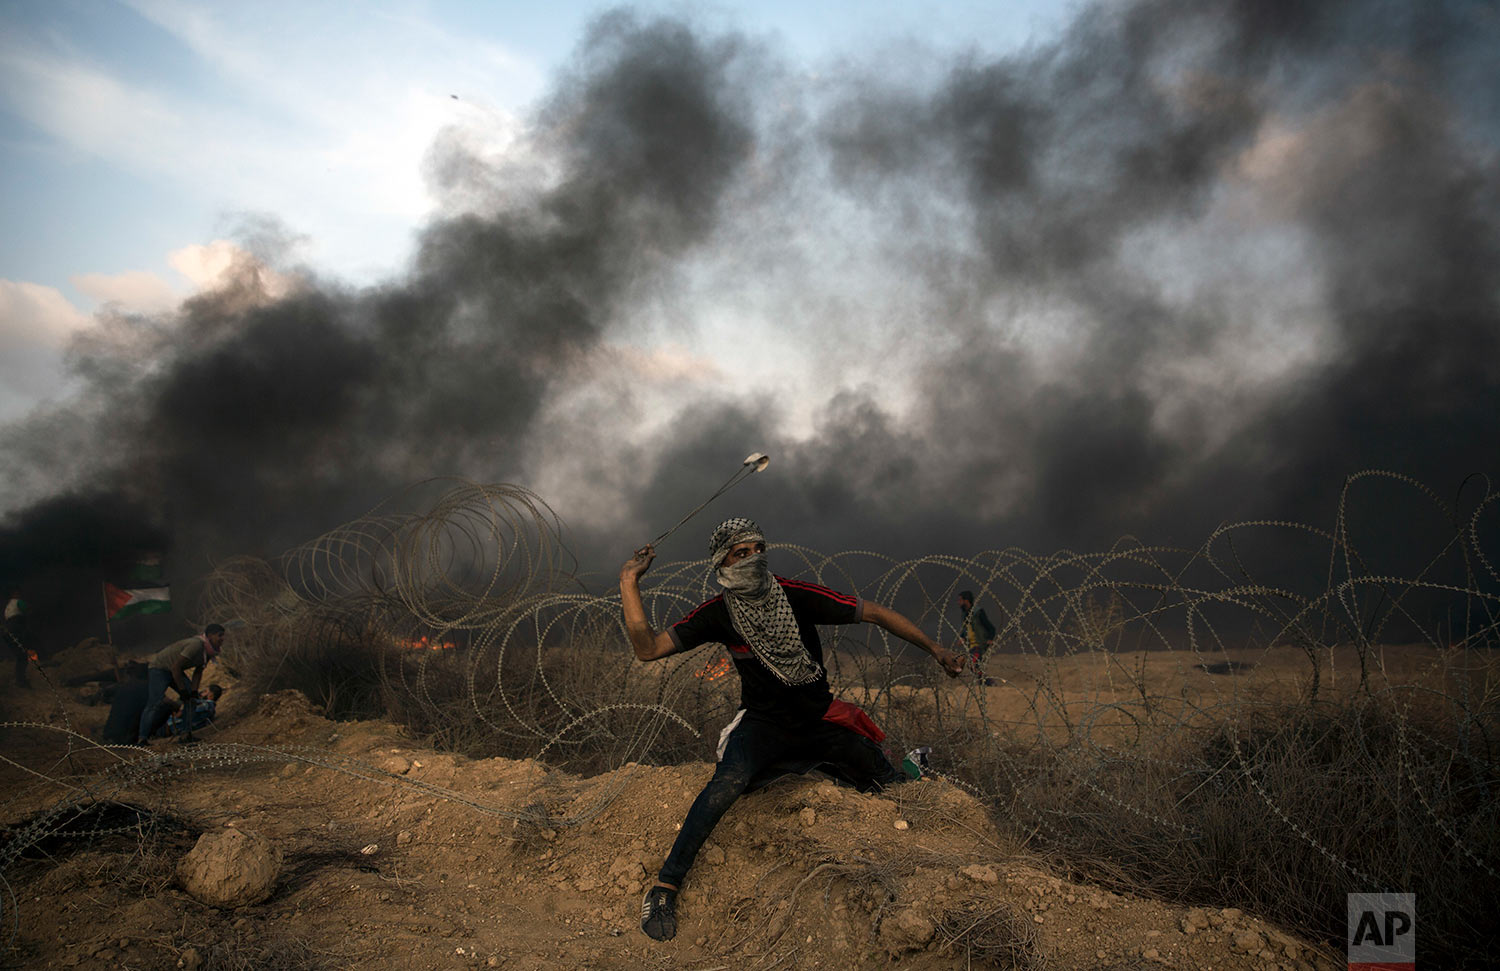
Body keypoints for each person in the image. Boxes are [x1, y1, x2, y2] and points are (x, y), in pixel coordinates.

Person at [619, 517, 966, 942]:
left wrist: (936, 649)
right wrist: (628, 580)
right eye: (740, 553)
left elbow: (873, 613)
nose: (753, 558)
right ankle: (666, 885)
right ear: (722, 564)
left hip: (819, 719)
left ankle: (906, 771)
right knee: (727, 784)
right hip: (764, 724)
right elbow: (648, 648)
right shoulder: (718, 613)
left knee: (885, 782)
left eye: (757, 549)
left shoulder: (796, 595)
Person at [137, 624, 225, 744]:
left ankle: (185, 735)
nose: (222, 639)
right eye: (219, 635)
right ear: (210, 636)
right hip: (160, 668)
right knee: (154, 703)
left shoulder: (209, 652)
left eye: (223, 635)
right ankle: (142, 739)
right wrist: (183, 690)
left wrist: (193, 691)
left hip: (174, 670)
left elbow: (198, 672)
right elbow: (176, 667)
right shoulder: (196, 645)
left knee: (192, 701)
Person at [957, 590, 997, 682]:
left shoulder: (978, 612)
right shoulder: (965, 614)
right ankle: (984, 682)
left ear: (966, 601)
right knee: (974, 666)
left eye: (960, 600)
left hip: (979, 644)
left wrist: (990, 639)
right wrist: (962, 637)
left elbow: (991, 627)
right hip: (971, 645)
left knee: (973, 664)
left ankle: (987, 682)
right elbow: (966, 628)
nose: (958, 602)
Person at [4, 589, 30, 687]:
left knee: (20, 655)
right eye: (18, 593)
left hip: (8, 632)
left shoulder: (8, 606)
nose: (20, 594)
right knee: (23, 656)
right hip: (16, 630)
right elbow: (26, 610)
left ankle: (19, 679)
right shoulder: (18, 602)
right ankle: (21, 680)